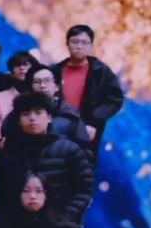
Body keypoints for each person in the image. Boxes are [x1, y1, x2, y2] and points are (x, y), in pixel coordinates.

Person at [0, 91, 93, 228]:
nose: (32, 118)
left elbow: (84, 189)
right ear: (18, 119)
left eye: (38, 112)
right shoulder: (9, 153)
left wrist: (65, 219)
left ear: (49, 117)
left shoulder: (69, 150)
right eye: (26, 114)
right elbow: (3, 194)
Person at [51, 24, 124, 158]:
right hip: (56, 131)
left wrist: (94, 120)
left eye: (84, 43)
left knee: (82, 166)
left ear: (91, 46)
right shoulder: (55, 71)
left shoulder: (100, 71)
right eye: (75, 42)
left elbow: (115, 100)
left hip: (87, 131)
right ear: (67, 43)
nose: (79, 46)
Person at [0, 64, 90, 149]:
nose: (42, 86)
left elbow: (84, 150)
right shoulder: (18, 114)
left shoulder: (70, 116)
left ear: (56, 86)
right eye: (37, 82)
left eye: (47, 81)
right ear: (30, 87)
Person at [0, 51, 40, 151]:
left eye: (26, 64)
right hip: (9, 149)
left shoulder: (42, 95)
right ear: (11, 70)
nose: (22, 68)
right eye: (17, 65)